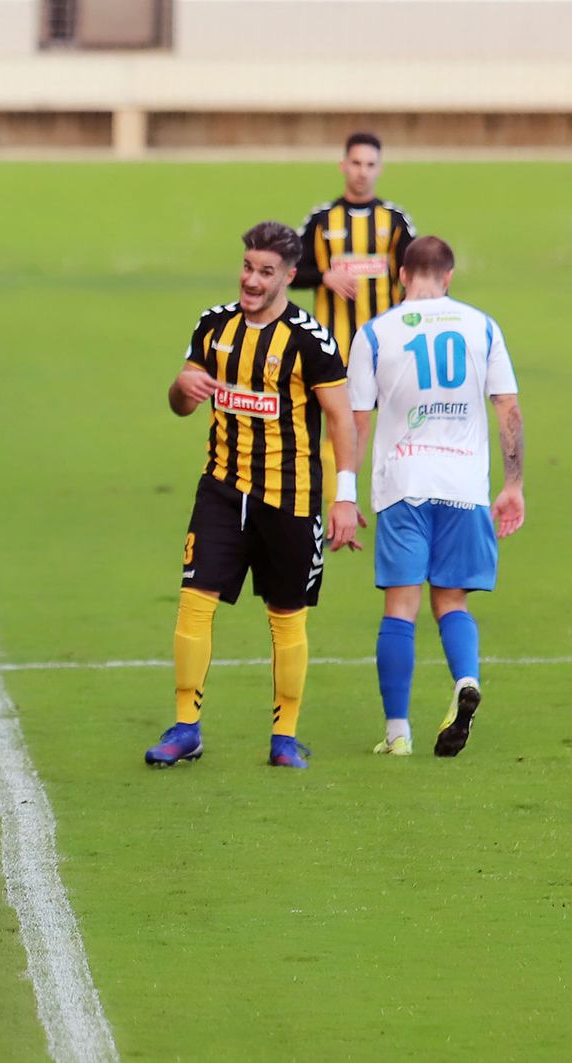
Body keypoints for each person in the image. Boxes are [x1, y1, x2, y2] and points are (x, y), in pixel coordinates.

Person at [147, 221, 361, 770]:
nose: (252, 279)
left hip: (290, 498)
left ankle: (284, 736)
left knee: (286, 615)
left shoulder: (310, 340)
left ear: (289, 276)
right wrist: (181, 388)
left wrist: (344, 497)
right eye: (248, 267)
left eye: (266, 272)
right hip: (221, 490)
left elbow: (341, 420)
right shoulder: (214, 326)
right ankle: (185, 727)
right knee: (195, 602)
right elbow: (181, 402)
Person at [344, 235, 525, 757]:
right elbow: (508, 410)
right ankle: (466, 679)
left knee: (401, 606)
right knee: (452, 601)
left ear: (402, 276)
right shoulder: (482, 327)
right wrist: (512, 484)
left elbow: (358, 420)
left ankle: (398, 732)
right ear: (449, 276)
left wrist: (347, 491)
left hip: (403, 483)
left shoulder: (374, 333)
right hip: (464, 486)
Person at [293, 133, 418, 357]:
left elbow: (417, 278)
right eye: (356, 163)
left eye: (370, 165)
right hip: (332, 347)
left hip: (386, 344)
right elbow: (291, 273)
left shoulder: (396, 220)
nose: (363, 172)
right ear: (343, 166)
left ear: (380, 169)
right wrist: (324, 277)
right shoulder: (320, 220)